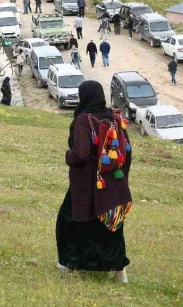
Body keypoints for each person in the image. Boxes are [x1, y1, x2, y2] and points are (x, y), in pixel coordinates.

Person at [56, 81, 132, 284]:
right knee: (111, 227)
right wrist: (121, 178)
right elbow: (127, 151)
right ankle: (120, 273)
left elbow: (80, 153)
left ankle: (69, 264)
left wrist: (67, 156)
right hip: (113, 184)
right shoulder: (114, 118)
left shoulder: (83, 120)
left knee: (71, 223)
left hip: (86, 186)